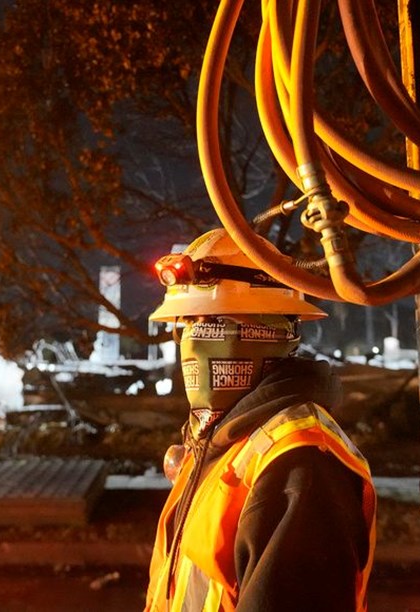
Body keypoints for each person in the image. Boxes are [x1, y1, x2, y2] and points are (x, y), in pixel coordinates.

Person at [144, 229, 377, 611]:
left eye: (213, 321)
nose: (194, 340)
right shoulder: (224, 442)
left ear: (273, 330)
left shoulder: (299, 464)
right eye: (186, 324)